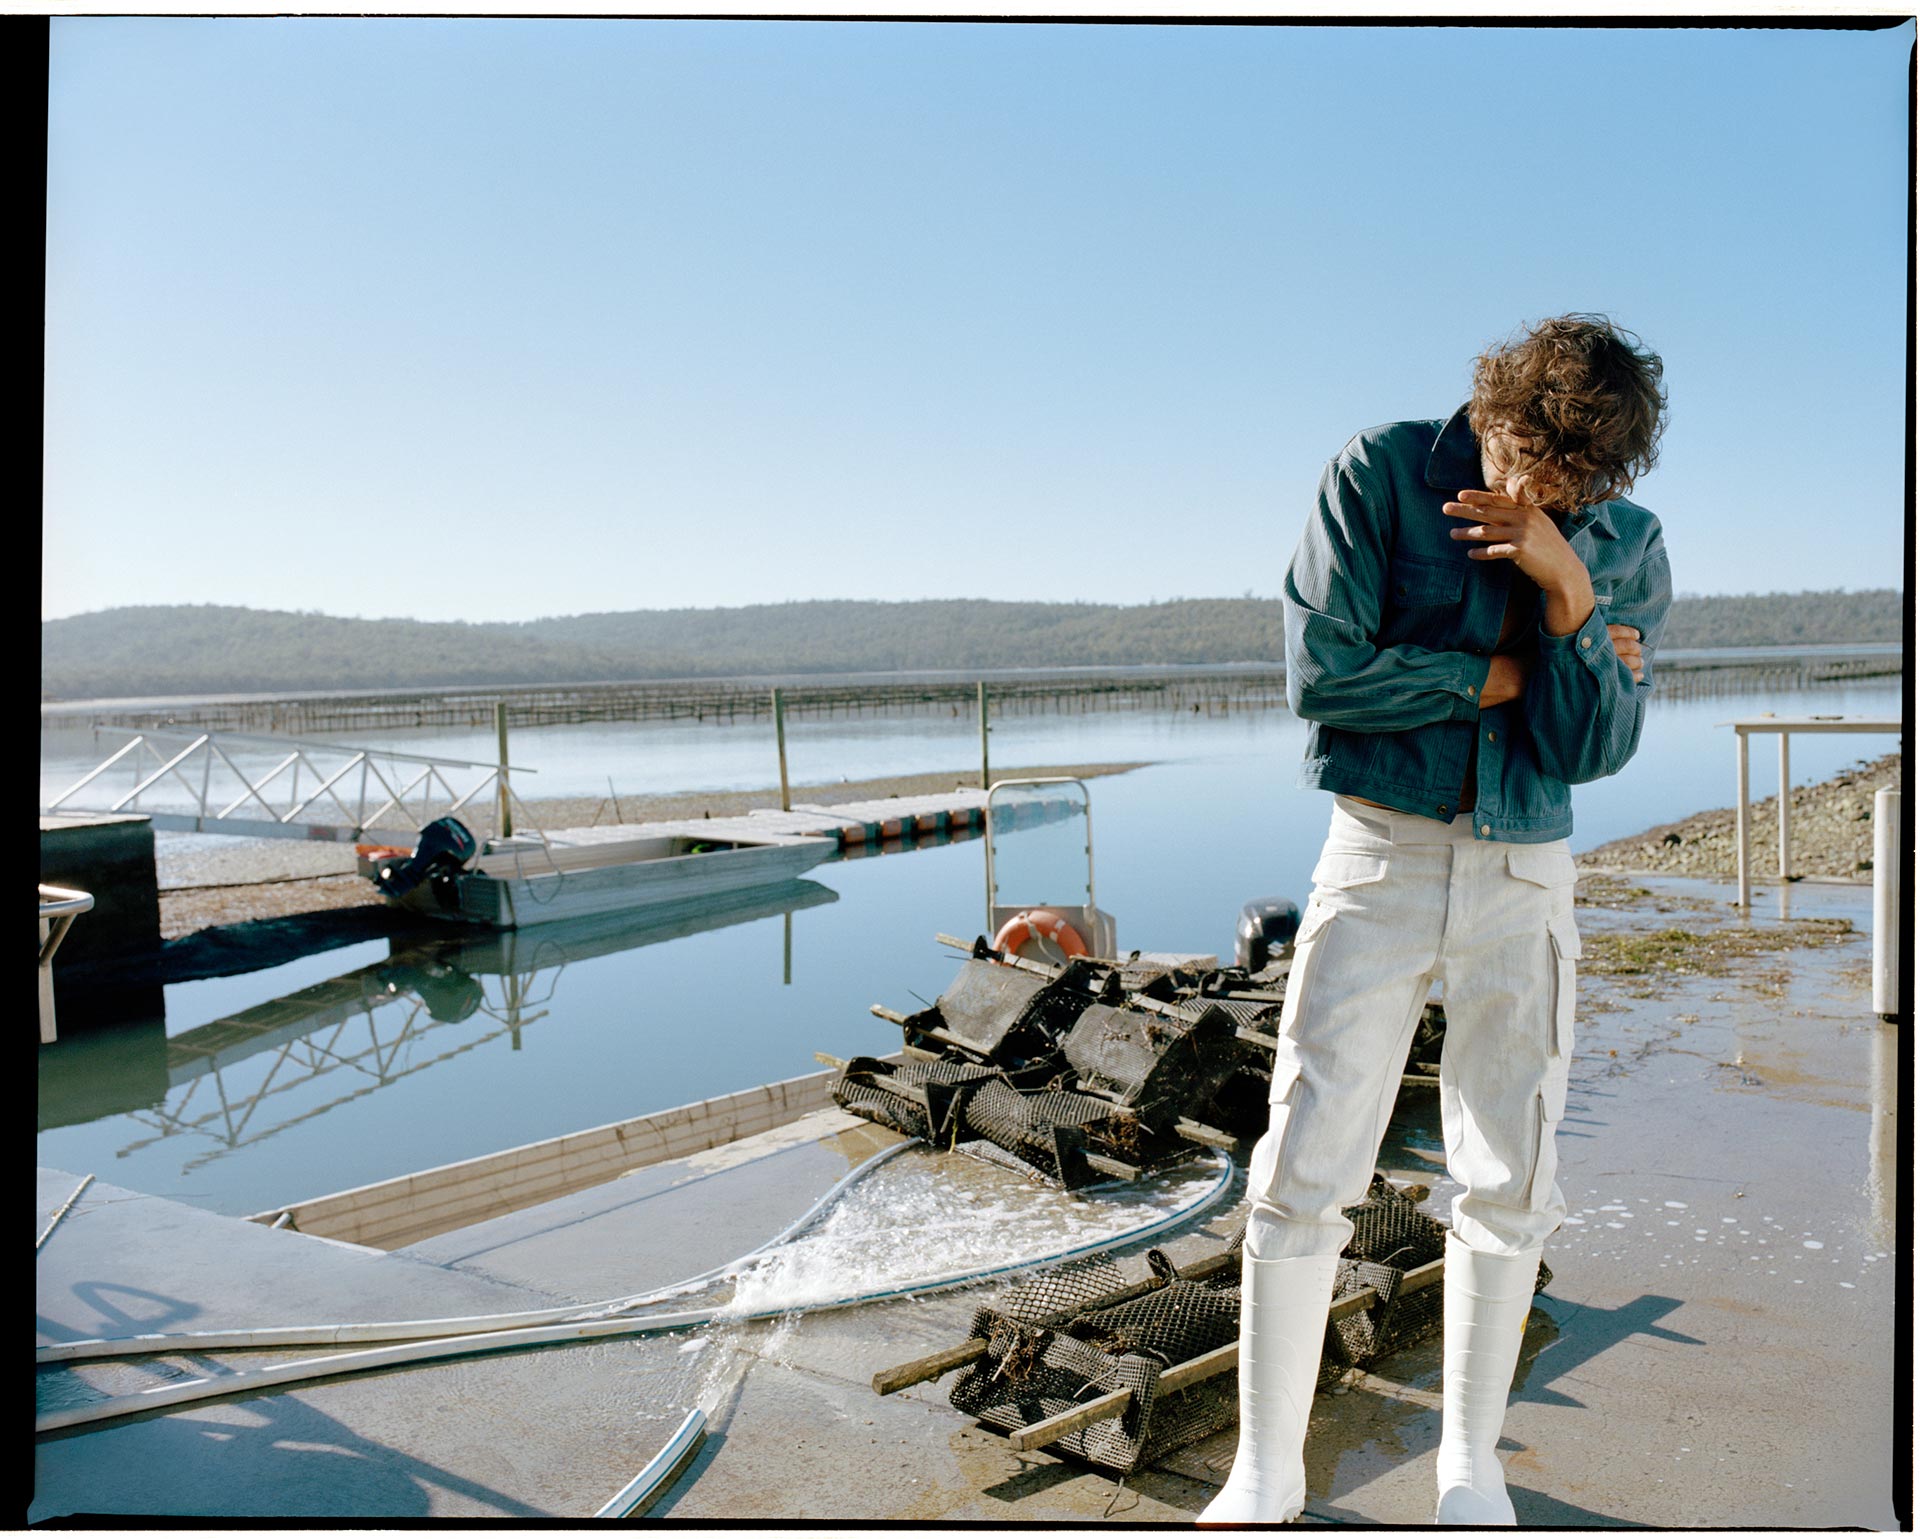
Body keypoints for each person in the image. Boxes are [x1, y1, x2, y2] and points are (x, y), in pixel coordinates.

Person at [1201, 314, 1671, 1527]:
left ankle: (1473, 1462)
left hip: (1527, 869)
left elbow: (1593, 749)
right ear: (1494, 403)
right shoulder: (1378, 474)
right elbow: (1325, 681)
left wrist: (1564, 580)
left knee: (1509, 1172)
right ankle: (1265, 1474)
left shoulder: (1627, 544)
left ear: (1607, 475)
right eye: (1526, 453)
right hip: (1382, 852)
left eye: (1572, 481)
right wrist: (1524, 667)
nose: (1535, 487)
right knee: (1307, 1157)